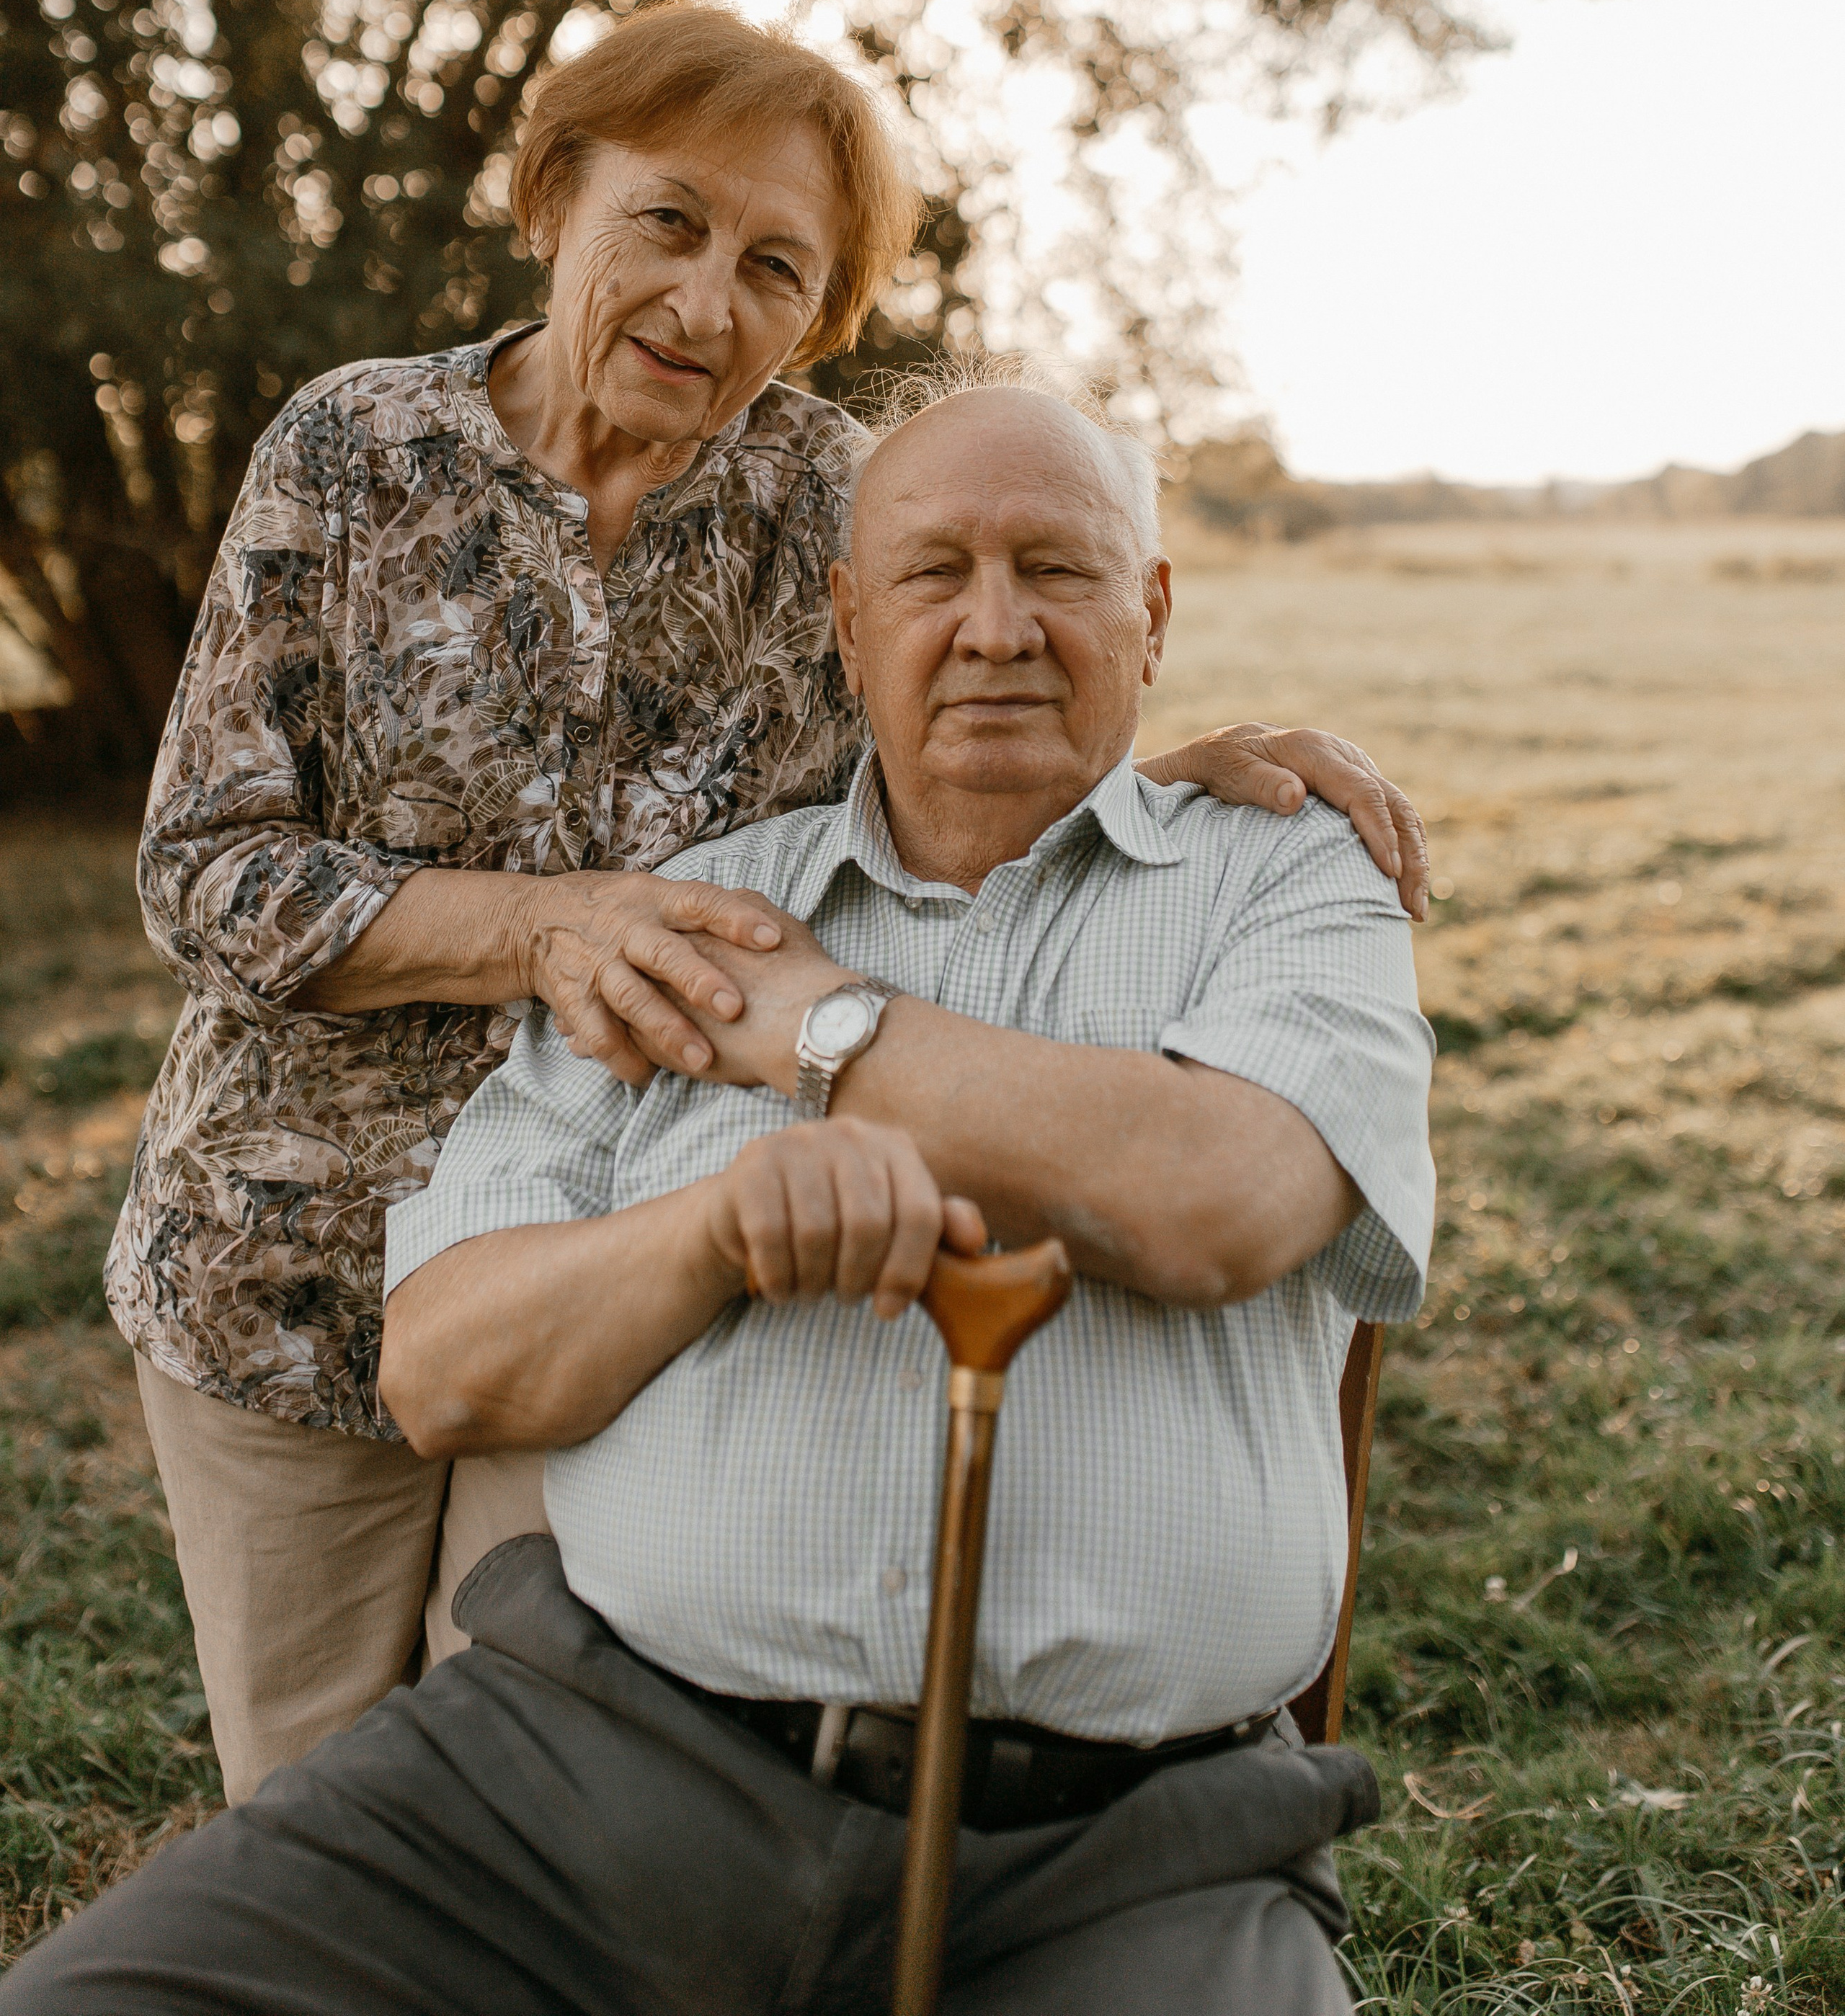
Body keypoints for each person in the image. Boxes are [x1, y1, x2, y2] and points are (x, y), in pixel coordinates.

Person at [110, 0, 1429, 1808]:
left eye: (777, 268)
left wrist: (1174, 750)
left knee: (545, 1791)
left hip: (609, 1253)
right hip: (287, 1258)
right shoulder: (354, 451)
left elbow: (957, 673)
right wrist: (550, 924)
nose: (707, 304)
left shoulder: (816, 495)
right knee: (324, 1804)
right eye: (666, 222)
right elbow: (204, 869)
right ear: (554, 195)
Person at [13, 381, 1435, 2013]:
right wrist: (710, 1233)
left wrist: (814, 1031)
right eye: (929, 575)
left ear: (1154, 612)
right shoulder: (695, 917)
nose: (992, 628)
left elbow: (1221, 1201)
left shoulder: (1291, 865)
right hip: (585, 1782)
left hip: (1126, 1849)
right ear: (843, 623)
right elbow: (443, 1367)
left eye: (1056, 571)